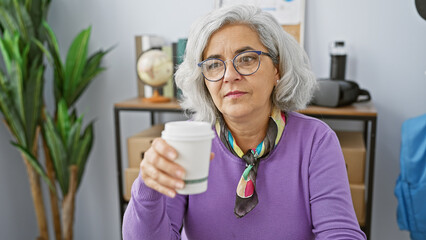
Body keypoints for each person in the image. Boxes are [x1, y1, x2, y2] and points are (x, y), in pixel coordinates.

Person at [123, 5, 367, 240]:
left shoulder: (316, 141)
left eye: (247, 59)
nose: (230, 76)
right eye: (215, 64)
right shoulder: (188, 144)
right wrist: (147, 187)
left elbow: (340, 233)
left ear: (277, 69)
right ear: (204, 81)